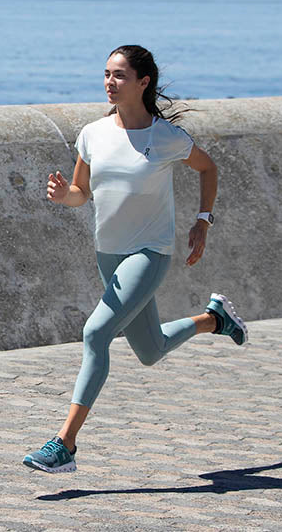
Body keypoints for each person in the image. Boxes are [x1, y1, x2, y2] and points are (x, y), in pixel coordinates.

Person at [22, 45, 247, 474]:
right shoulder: (92, 133)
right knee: (150, 350)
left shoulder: (166, 138)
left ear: (144, 83)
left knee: (96, 334)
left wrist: (203, 221)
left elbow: (208, 168)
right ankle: (214, 319)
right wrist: (61, 196)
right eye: (106, 74)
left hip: (150, 252)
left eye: (120, 75)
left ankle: (64, 444)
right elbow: (80, 193)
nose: (110, 82)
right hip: (108, 253)